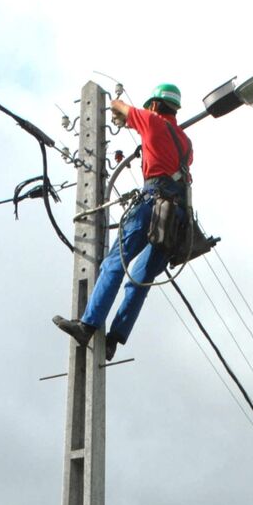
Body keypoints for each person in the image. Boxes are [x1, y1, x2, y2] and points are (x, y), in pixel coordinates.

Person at [53, 83, 193, 361]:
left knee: (114, 264)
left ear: (154, 105)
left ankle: (87, 325)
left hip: (152, 206)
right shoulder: (186, 142)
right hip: (178, 219)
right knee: (141, 278)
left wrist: (118, 108)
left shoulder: (151, 120)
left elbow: (119, 109)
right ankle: (114, 339)